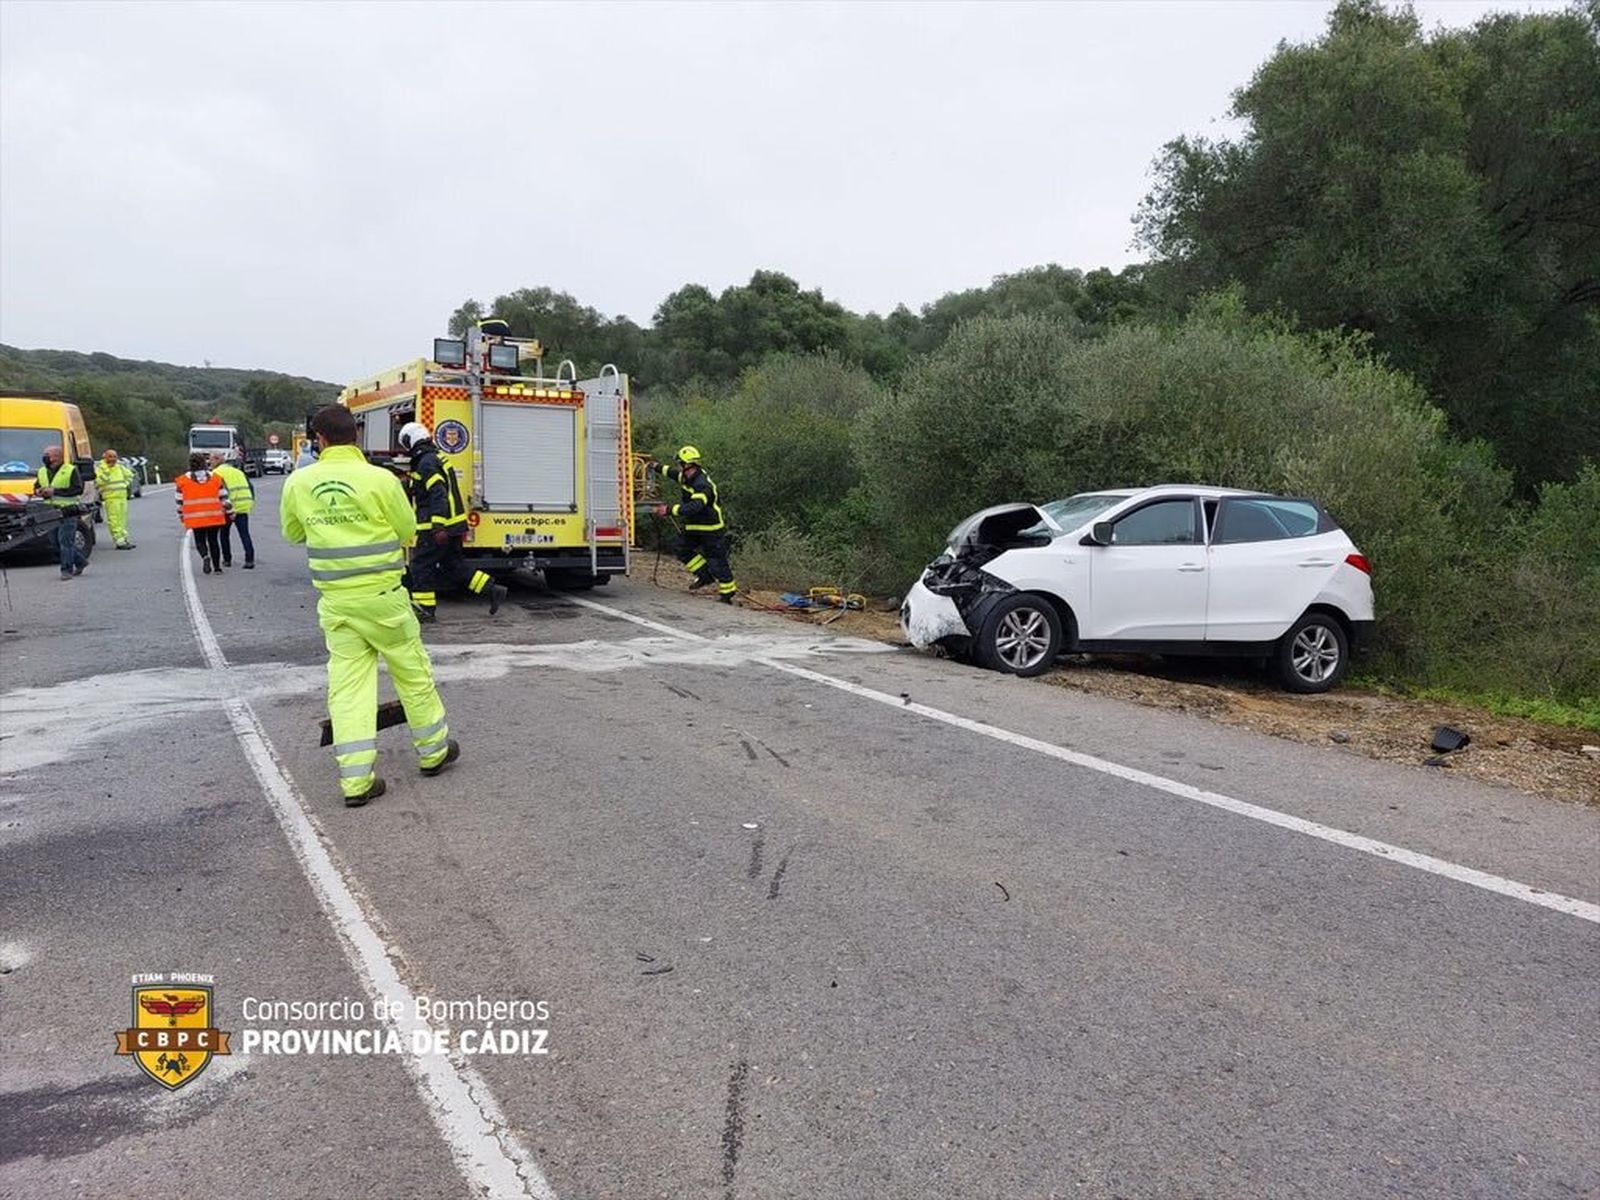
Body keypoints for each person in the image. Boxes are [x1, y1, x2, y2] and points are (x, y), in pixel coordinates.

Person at [281, 405, 460, 806]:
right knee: (412, 674)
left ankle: (356, 783)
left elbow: (293, 532)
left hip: (338, 606)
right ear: (356, 437)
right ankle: (433, 753)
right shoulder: (380, 479)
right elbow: (407, 529)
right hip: (384, 602)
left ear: (319, 439)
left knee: (348, 689)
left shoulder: (299, 482)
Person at [395, 421, 506, 623]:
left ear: (411, 440)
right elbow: (431, 488)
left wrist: (437, 526)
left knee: (421, 566)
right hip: (453, 526)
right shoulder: (434, 458)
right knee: (453, 566)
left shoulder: (426, 462)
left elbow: (438, 494)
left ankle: (425, 609)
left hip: (436, 528)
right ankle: (492, 589)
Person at [653, 445, 738, 603]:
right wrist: (656, 467)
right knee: (681, 549)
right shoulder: (687, 476)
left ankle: (728, 593)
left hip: (711, 529)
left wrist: (669, 510)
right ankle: (704, 575)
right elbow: (672, 473)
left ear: (687, 465)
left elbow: (695, 506)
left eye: (680, 464)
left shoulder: (702, 484)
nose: (678, 467)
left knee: (716, 560)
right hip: (694, 527)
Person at [33, 445, 89, 579]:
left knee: (65, 541)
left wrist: (55, 492)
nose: (45, 457)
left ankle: (66, 570)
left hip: (67, 511)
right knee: (55, 541)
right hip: (50, 512)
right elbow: (36, 486)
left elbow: (77, 489)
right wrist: (38, 491)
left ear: (56, 457)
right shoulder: (42, 471)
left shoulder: (70, 470)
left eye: (47, 455)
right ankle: (81, 561)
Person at [175, 452, 232, 575]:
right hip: (214, 516)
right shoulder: (216, 478)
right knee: (214, 541)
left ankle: (205, 556)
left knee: (200, 540)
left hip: (195, 517)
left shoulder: (182, 480)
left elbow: (179, 502)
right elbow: (224, 498)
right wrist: (230, 512)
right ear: (204, 463)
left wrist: (181, 516)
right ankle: (217, 568)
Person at [212, 453, 256, 569]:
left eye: (211, 460)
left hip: (228, 507)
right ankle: (249, 560)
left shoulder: (216, 473)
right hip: (243, 506)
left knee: (224, 534)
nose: (210, 463)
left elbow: (220, 491)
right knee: (244, 534)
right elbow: (250, 487)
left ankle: (227, 560)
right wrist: (251, 501)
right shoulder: (238, 472)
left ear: (217, 460)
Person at [95, 449, 137, 549]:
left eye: (114, 457)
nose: (112, 459)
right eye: (110, 457)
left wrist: (124, 485)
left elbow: (130, 476)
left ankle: (123, 538)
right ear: (105, 457)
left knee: (122, 520)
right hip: (111, 498)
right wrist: (107, 470)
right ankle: (119, 541)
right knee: (114, 520)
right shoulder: (101, 468)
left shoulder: (120, 467)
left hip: (122, 497)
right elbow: (99, 482)